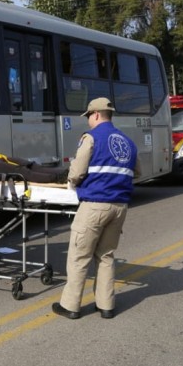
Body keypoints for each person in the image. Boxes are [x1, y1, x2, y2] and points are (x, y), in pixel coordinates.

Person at [52, 97, 140, 320]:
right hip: (119, 207)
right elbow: (136, 172)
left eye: (89, 116)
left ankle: (70, 306)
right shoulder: (128, 142)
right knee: (106, 256)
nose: (88, 120)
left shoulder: (90, 138)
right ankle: (106, 305)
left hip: (94, 205)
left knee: (79, 257)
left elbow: (77, 172)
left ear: (97, 114)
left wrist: (73, 180)